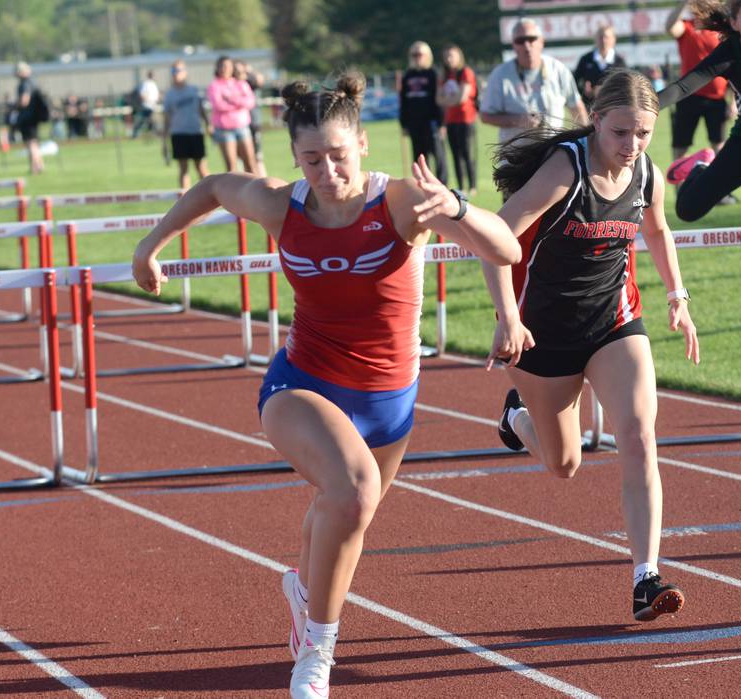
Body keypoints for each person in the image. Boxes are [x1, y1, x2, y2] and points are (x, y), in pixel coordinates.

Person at [131, 71, 519, 698]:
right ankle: (318, 654)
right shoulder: (280, 204)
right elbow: (210, 186)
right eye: (311, 158)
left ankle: (304, 588)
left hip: (390, 399)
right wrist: (151, 245)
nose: (327, 169)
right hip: (302, 384)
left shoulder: (397, 200)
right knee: (354, 490)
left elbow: (506, 250)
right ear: (294, 158)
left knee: (345, 511)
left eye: (338, 155)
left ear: (362, 144)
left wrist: (458, 208)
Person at [482, 69, 700, 623]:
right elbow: (496, 238)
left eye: (644, 134)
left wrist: (678, 296)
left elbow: (656, 230)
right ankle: (519, 419)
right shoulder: (566, 169)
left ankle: (645, 578)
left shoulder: (646, 173)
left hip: (614, 323)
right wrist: (507, 316)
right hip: (543, 334)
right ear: (596, 121)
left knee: (638, 434)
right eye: (621, 133)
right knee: (564, 464)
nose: (632, 147)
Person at [660, 0, 741, 221]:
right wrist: (643, 106)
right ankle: (699, 166)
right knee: (687, 210)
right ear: (735, 23)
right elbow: (683, 86)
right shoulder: (729, 52)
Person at [480, 19, 589, 158]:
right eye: (520, 41)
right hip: (516, 158)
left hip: (553, 156)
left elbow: (576, 106)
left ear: (541, 42)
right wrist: (518, 119)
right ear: (514, 45)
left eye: (531, 39)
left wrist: (586, 141)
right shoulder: (500, 75)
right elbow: (486, 116)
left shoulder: (558, 70)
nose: (527, 45)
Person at [664, 0, 738, 205]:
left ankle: (721, 192)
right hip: (688, 98)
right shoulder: (687, 27)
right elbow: (669, 26)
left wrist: (732, 101)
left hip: (717, 98)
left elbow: (733, 65)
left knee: (720, 147)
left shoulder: (721, 31)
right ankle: (679, 189)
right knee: (680, 146)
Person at [399, 41, 449, 184]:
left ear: (427, 55)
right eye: (414, 55)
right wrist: (404, 124)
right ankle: (421, 185)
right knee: (419, 157)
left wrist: (442, 123)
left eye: (420, 54)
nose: (417, 57)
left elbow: (440, 100)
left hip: (432, 122)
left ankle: (442, 186)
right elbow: (403, 101)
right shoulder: (407, 75)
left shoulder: (433, 73)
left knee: (438, 156)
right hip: (415, 123)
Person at [162, 59, 210, 191]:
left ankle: (209, 199)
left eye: (179, 70)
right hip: (179, 134)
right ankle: (185, 202)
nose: (176, 74)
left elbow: (202, 110)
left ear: (185, 72)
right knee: (183, 169)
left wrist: (208, 124)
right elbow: (167, 118)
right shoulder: (170, 94)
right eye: (174, 71)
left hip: (195, 132)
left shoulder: (193, 90)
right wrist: (164, 141)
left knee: (201, 168)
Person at [438, 43, 479, 195]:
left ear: (459, 57)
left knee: (467, 153)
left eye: (452, 55)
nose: (449, 59)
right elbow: (438, 98)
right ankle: (461, 185)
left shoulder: (465, 72)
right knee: (455, 154)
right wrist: (449, 100)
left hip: (466, 119)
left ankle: (472, 185)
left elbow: (462, 98)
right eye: (446, 56)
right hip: (451, 120)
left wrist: (447, 100)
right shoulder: (444, 75)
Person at [207, 55, 258, 174]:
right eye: (222, 66)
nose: (225, 69)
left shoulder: (240, 84)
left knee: (250, 163)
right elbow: (218, 105)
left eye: (228, 66)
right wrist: (238, 105)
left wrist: (231, 99)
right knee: (231, 167)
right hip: (225, 130)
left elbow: (250, 102)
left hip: (242, 127)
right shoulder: (214, 86)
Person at [574, 25, 627, 107]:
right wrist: (584, 91)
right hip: (590, 108)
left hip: (613, 108)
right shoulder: (585, 59)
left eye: (606, 37)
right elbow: (575, 82)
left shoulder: (620, 62)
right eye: (600, 37)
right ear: (595, 39)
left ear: (613, 39)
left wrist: (609, 91)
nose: (603, 40)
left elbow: (626, 85)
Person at [236, 60, 268, 177]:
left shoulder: (249, 81)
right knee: (241, 158)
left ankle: (262, 181)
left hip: (253, 123)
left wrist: (248, 71)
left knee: (257, 157)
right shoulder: (233, 83)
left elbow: (259, 80)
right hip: (238, 124)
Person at [13, 62, 46, 174]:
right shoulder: (33, 82)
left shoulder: (24, 84)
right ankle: (40, 165)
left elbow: (24, 101)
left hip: (27, 118)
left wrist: (14, 106)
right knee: (34, 143)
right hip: (34, 117)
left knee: (30, 143)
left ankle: (34, 167)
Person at [132, 70, 160, 138]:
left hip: (153, 106)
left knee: (150, 120)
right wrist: (147, 100)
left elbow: (156, 95)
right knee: (144, 120)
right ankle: (135, 133)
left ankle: (152, 133)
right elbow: (142, 94)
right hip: (147, 105)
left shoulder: (154, 84)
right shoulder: (146, 84)